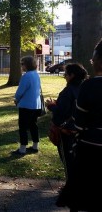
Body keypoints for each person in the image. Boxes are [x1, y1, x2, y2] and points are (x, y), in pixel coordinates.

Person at [56, 40, 102, 211]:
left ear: (97, 60)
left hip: (91, 149)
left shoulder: (90, 86)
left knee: (80, 195)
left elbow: (79, 123)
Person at [45, 63, 87, 181]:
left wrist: (51, 106)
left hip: (66, 131)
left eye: (66, 74)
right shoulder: (85, 88)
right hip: (81, 129)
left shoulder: (68, 91)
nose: (64, 76)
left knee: (68, 161)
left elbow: (61, 112)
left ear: (72, 75)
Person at [13, 56, 42, 155]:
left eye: (22, 64)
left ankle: (22, 149)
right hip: (36, 105)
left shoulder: (26, 76)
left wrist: (16, 99)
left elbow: (20, 91)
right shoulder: (36, 75)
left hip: (26, 105)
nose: (21, 66)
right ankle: (35, 146)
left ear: (26, 65)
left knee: (23, 127)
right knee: (33, 125)